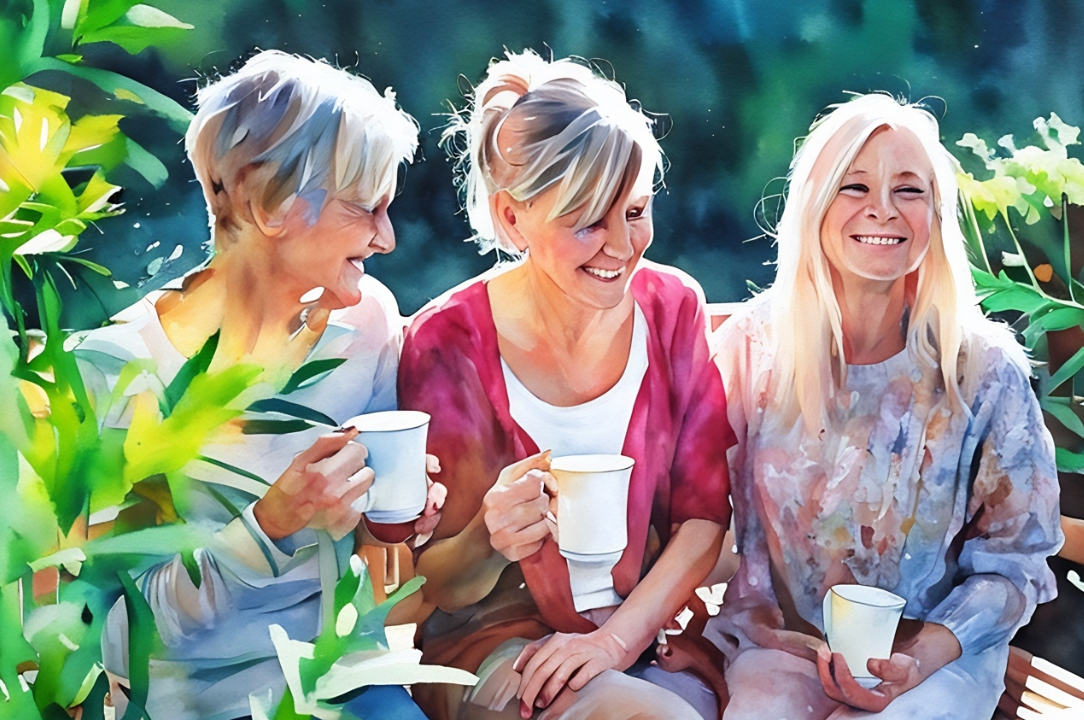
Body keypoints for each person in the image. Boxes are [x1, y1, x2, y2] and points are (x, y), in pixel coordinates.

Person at [83, 51, 441, 720]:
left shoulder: (367, 321)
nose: (386, 239)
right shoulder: (124, 366)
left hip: (346, 686)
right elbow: (116, 632)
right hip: (197, 705)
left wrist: (397, 522)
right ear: (272, 204)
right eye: (367, 209)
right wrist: (269, 526)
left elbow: (379, 567)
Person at [399, 50, 734, 720]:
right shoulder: (449, 343)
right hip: (495, 648)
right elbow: (436, 586)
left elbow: (703, 519)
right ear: (512, 218)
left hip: (643, 638)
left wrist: (614, 641)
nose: (622, 246)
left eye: (635, 211)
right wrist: (490, 539)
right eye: (587, 220)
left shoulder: (672, 309)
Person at [705, 94, 1063, 720]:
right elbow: (684, 508)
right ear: (814, 204)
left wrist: (923, 655)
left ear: (935, 213)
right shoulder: (751, 349)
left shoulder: (982, 371)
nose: (882, 210)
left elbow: (1017, 562)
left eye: (908, 190)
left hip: (938, 657)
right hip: (783, 645)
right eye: (854, 186)